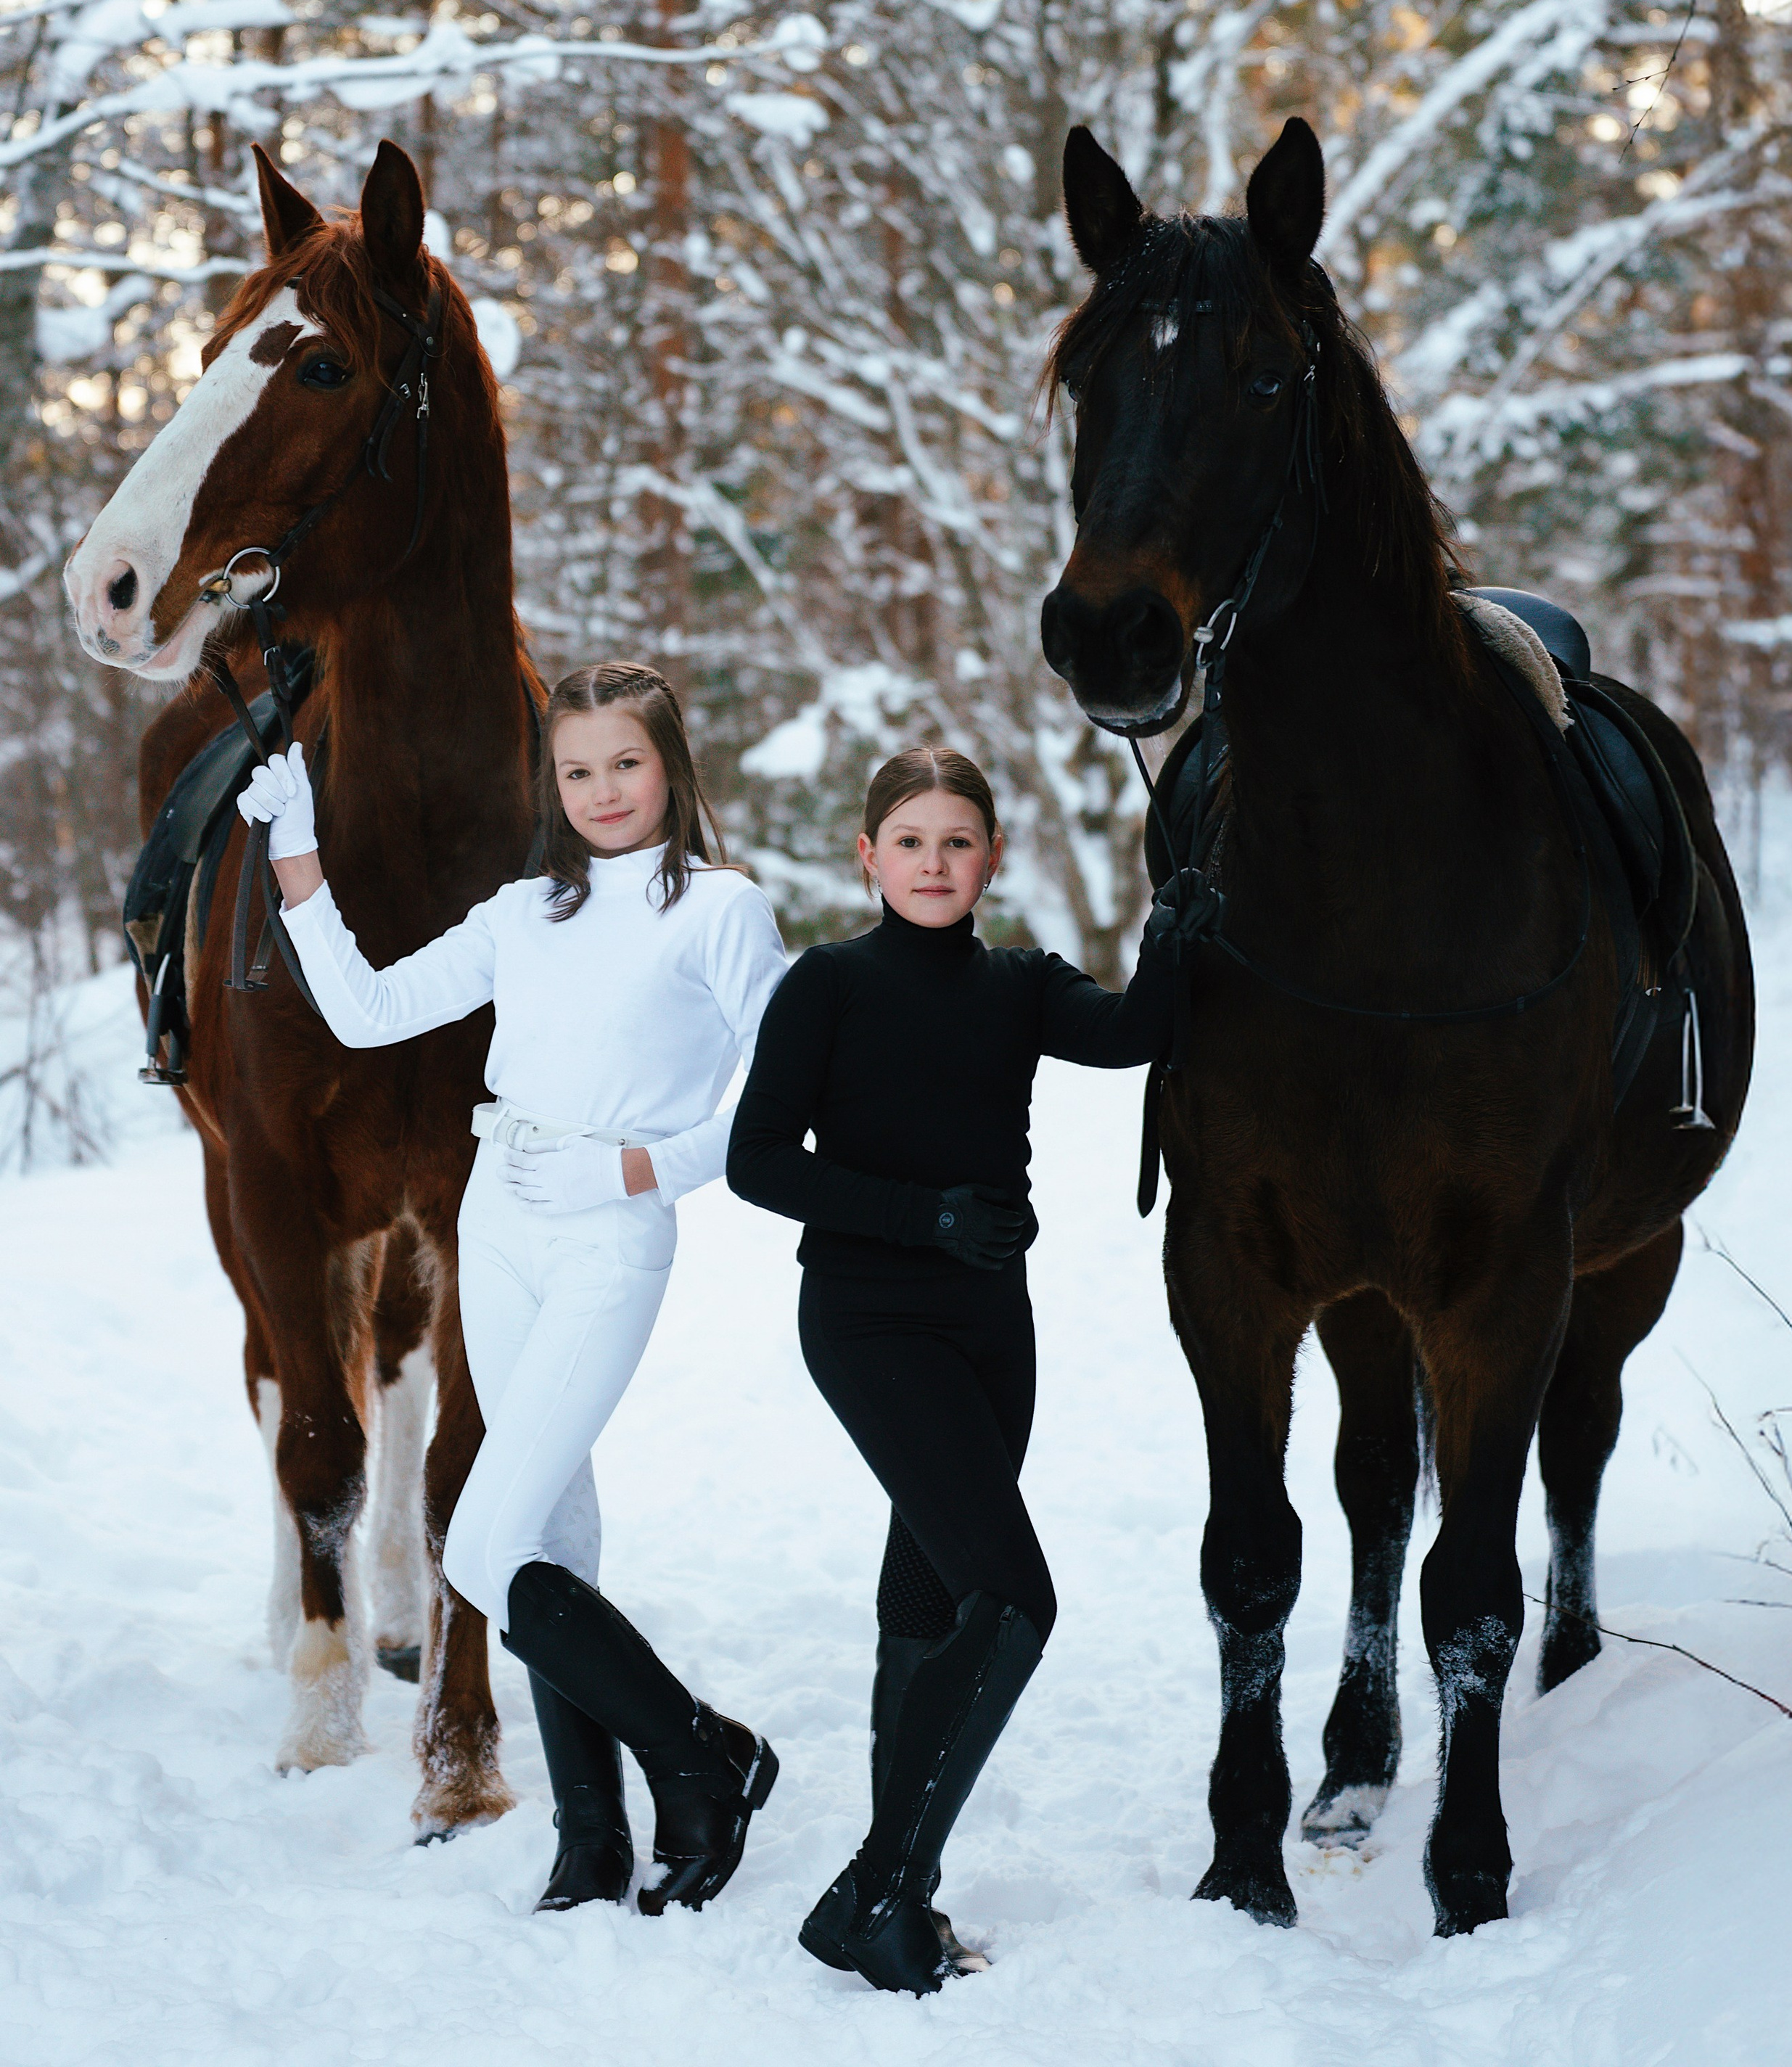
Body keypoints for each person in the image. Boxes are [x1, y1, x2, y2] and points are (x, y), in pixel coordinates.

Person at [236, 661, 789, 1920]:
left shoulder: (722, 911)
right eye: (577, 768)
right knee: (554, 1539)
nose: (601, 791)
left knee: (484, 1544)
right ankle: (592, 1840)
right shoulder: (524, 913)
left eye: (626, 765)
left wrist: (642, 1168)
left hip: (610, 1238)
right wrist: (299, 860)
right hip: (501, 1220)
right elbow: (367, 1011)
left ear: (672, 768)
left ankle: (706, 1758)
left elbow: (774, 1105)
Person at [726, 744, 1188, 1995]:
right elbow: (757, 1159)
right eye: (911, 841)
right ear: (867, 857)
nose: (935, 864)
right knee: (1017, 1597)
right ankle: (877, 1887)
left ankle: (904, 1896)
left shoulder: (1022, 986)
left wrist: (1182, 908)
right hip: (871, 1321)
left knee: (931, 1598)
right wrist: (924, 1217)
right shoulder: (827, 986)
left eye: (960, 841)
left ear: (994, 858)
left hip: (995, 1328)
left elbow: (1140, 1029)